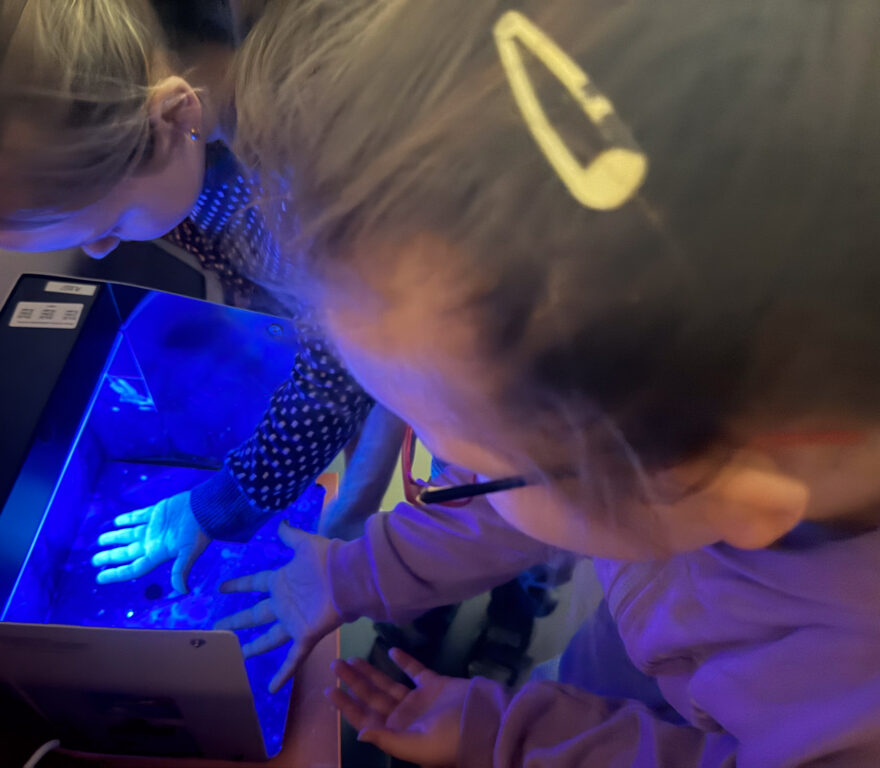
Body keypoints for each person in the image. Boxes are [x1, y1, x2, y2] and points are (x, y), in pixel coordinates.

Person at [212, 0, 880, 764]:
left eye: (470, 464)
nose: (451, 474)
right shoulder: (675, 452)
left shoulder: (849, 718)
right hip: (639, 647)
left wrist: (514, 738)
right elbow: (544, 492)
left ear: (724, 492)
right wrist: (353, 574)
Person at [0, 0, 402, 594]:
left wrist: (223, 502)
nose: (98, 250)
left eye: (107, 226)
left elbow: (347, 356)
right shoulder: (189, 128)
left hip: (400, 327)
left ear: (172, 118)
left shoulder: (312, 157)